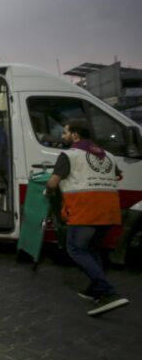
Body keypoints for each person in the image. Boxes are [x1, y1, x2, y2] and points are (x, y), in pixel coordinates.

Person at [45, 119, 130, 316]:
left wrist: (49, 189)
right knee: (92, 250)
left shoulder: (69, 155)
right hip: (109, 209)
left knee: (75, 248)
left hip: (85, 209)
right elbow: (116, 175)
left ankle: (109, 292)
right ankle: (95, 291)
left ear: (75, 135)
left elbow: (53, 182)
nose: (64, 136)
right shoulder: (108, 155)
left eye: (66, 132)